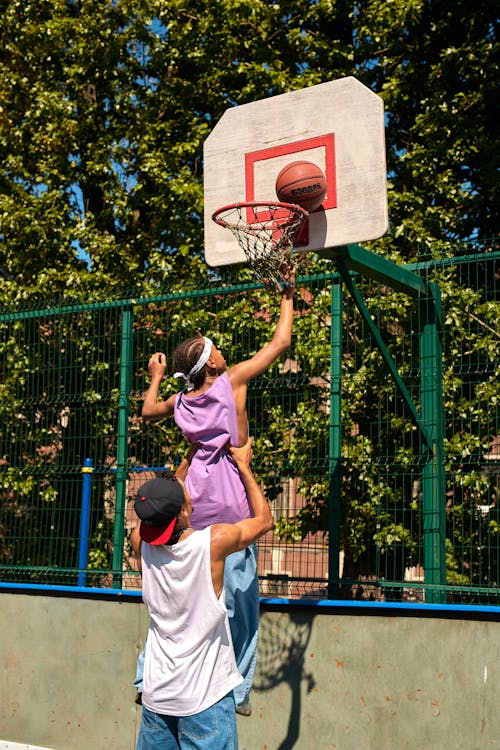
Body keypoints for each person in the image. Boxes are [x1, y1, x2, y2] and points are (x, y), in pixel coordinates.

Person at [139, 281, 295, 713]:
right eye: (216, 348)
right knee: (241, 603)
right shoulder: (233, 382)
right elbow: (281, 341)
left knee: (185, 597)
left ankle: (144, 674)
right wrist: (287, 292)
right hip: (230, 495)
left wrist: (155, 377)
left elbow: (147, 412)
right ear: (211, 364)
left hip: (193, 501)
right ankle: (238, 690)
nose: (222, 350)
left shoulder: (183, 400)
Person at [132, 438, 273, 750]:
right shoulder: (212, 544)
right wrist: (244, 467)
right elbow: (264, 521)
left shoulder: (139, 544)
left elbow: (162, 511)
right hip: (204, 700)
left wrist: (186, 462)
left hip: (157, 696)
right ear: (184, 510)